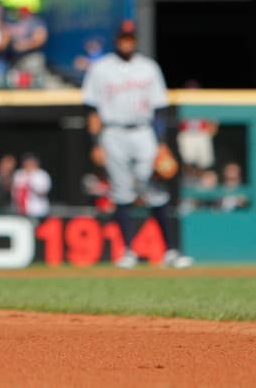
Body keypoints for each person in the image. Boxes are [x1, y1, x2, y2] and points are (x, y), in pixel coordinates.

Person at [83, 20, 193, 268]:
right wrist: (95, 143)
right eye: (123, 37)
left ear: (136, 40)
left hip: (144, 132)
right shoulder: (101, 68)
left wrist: (162, 144)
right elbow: (91, 109)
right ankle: (128, 252)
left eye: (130, 37)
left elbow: (159, 109)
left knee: (153, 188)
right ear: (116, 39)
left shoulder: (148, 68)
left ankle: (171, 251)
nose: (127, 41)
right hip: (112, 132)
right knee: (121, 192)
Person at [10, 153, 51, 218]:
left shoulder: (42, 174)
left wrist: (30, 183)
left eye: (31, 162)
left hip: (37, 210)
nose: (28, 165)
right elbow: (13, 191)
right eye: (27, 162)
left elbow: (43, 191)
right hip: (19, 210)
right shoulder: (19, 174)